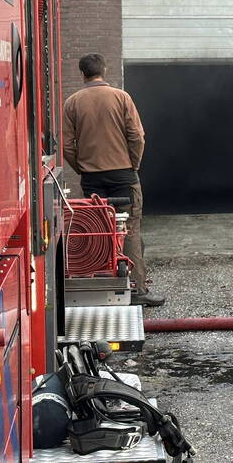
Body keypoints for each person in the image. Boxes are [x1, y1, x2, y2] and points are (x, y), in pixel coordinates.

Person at [63, 53, 164, 307]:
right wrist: (133, 164)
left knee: (98, 230)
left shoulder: (72, 102)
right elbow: (137, 136)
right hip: (123, 175)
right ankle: (137, 291)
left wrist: (83, 169)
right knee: (129, 229)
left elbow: (66, 145)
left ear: (82, 73)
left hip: (92, 179)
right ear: (104, 71)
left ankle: (101, 283)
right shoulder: (121, 98)